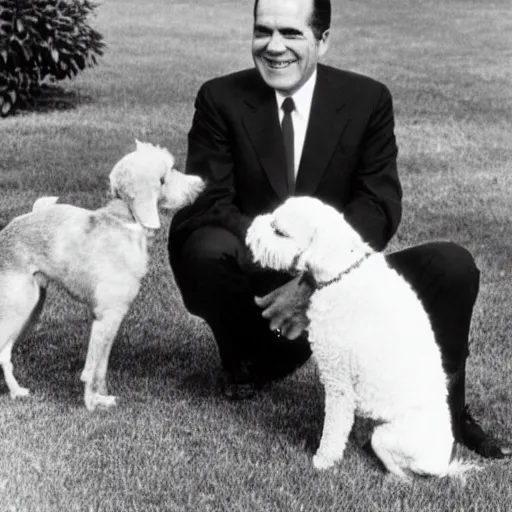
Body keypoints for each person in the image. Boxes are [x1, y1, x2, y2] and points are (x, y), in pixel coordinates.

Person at [168, 0, 511, 458]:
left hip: (342, 278)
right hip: (257, 271)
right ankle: (253, 360)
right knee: (204, 247)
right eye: (262, 31)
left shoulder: (367, 100)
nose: (273, 47)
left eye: (291, 33)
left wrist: (316, 281)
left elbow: (379, 203)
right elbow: (213, 200)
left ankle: (444, 411)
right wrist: (278, 250)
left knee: (451, 264)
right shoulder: (220, 97)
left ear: (322, 40)